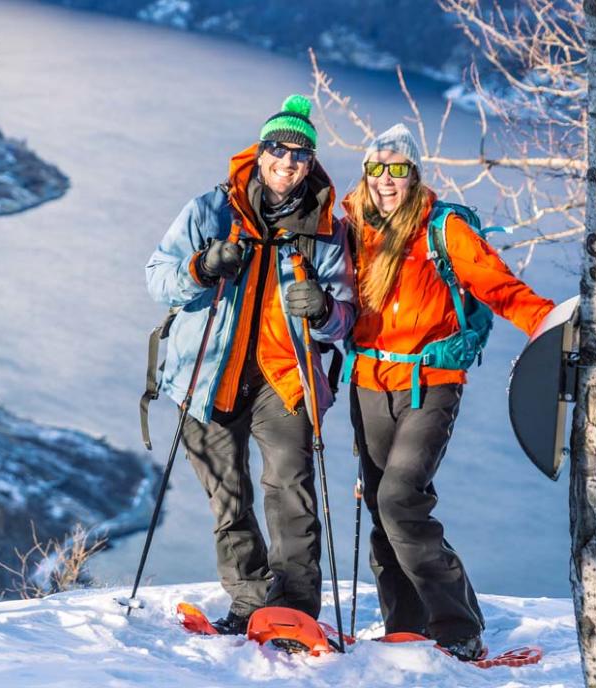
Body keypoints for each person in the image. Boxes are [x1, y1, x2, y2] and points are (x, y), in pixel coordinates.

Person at [341, 124, 554, 660]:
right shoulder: (354, 228)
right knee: (381, 509)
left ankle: (457, 626)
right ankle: (405, 624)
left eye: (397, 169)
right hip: (367, 383)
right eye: (377, 169)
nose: (386, 180)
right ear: (365, 174)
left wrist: (548, 323)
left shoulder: (443, 228)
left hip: (430, 383)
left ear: (414, 174)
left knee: (400, 500)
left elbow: (496, 285)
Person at [145, 95, 355, 634]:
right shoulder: (211, 211)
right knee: (227, 495)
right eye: (278, 150)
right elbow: (157, 278)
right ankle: (249, 598)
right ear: (259, 154)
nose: (288, 162)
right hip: (207, 376)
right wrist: (201, 266)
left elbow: (345, 321)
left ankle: (295, 609)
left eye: (300, 155)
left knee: (291, 491)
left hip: (283, 379)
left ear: (311, 164)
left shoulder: (325, 226)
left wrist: (326, 309)